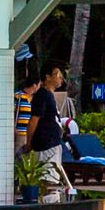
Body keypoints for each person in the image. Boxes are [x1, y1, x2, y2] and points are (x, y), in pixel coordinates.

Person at [25, 65, 70, 200]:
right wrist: (29, 142)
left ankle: (50, 202)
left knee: (52, 177)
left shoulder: (49, 95)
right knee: (48, 178)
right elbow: (34, 120)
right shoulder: (42, 95)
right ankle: (48, 206)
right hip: (46, 144)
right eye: (57, 75)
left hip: (53, 143)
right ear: (47, 77)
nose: (60, 78)